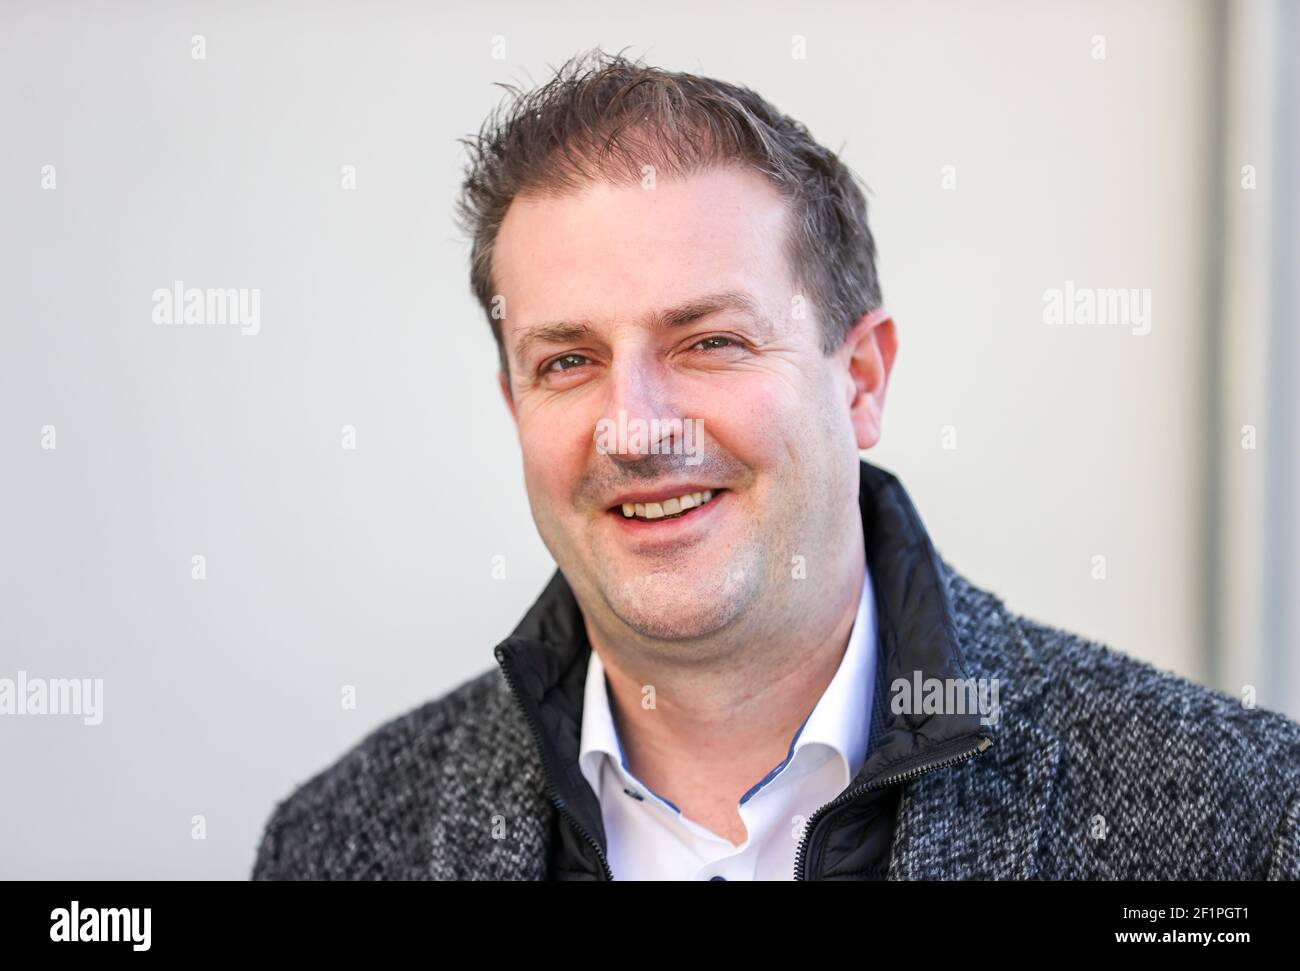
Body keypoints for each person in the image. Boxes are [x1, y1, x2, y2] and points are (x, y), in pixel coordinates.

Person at [252, 49, 1300, 880]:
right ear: (514, 404)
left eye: (708, 341)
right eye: (567, 361)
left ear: (860, 379)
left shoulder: (1234, 817)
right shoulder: (338, 840)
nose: (635, 428)